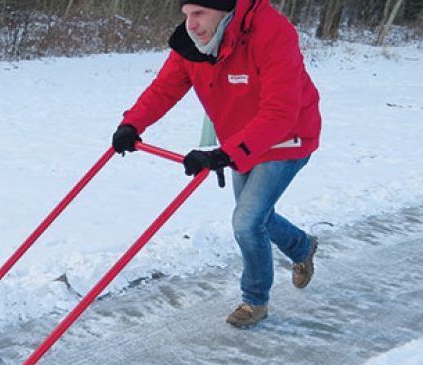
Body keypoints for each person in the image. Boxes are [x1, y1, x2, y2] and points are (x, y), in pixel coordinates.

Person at [111, 0, 321, 328]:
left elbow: (281, 111)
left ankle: (255, 301)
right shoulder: (193, 43)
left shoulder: (271, 32)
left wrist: (223, 154)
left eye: (199, 14)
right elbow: (164, 89)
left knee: (247, 222)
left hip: (287, 138)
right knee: (257, 218)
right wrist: (132, 125)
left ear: (223, 9)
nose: (191, 24)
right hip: (242, 140)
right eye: (186, 15)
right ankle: (302, 246)